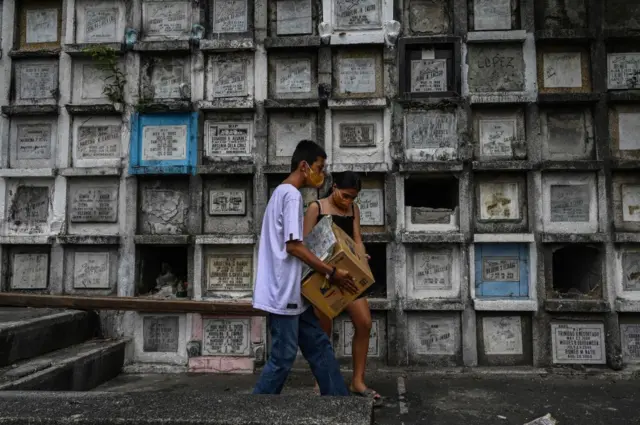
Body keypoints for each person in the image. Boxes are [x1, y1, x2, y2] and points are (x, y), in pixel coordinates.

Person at [252, 140, 359, 396]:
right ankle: (252, 411)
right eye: (319, 168)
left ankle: (339, 403)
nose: (322, 175)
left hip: (294, 294)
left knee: (320, 346)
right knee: (282, 358)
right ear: (304, 166)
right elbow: (294, 247)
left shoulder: (281, 193)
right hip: (283, 293)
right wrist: (330, 272)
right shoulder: (290, 195)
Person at [303, 171, 383, 407]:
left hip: (350, 276)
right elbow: (306, 245)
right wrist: (329, 268)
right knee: (323, 329)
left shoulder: (353, 210)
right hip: (325, 276)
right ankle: (322, 380)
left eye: (353, 198)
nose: (348, 202)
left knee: (364, 323)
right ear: (334, 186)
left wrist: (361, 259)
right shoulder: (316, 208)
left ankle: (357, 382)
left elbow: (356, 239)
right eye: (345, 196)